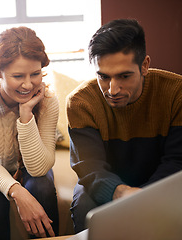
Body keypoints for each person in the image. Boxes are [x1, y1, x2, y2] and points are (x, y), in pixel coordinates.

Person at [66, 19, 182, 233]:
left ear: (145, 65)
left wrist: (142, 197)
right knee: (84, 203)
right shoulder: (81, 102)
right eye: (103, 76)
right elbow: (90, 167)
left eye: (124, 76)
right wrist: (120, 192)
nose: (112, 90)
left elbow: (177, 161)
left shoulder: (176, 93)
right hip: (107, 182)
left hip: (161, 180)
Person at [0, 26, 60, 239]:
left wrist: (26, 114)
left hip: (31, 167)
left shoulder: (48, 101)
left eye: (35, 74)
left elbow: (40, 167)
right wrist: (17, 191)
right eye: (17, 76)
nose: (28, 84)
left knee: (41, 186)